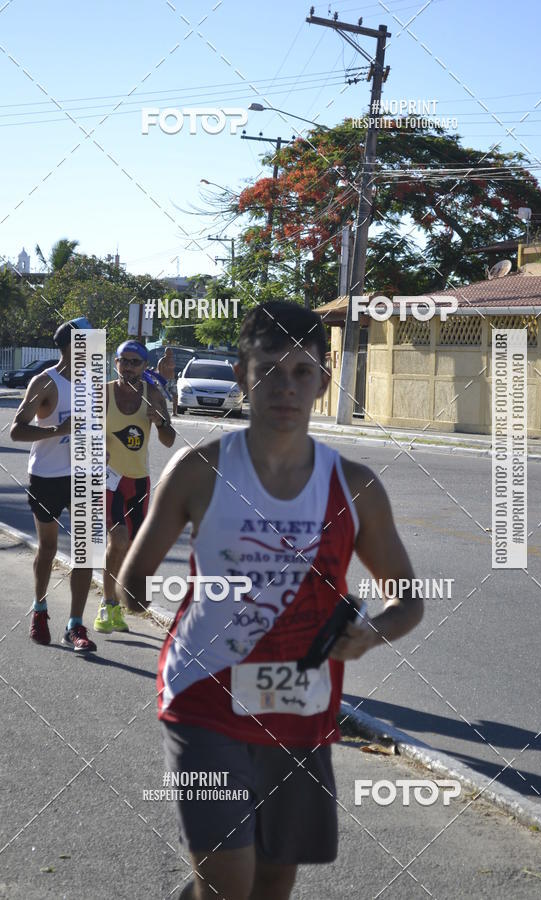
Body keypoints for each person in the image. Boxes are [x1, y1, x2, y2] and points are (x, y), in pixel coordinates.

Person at [117, 301, 423, 900]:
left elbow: (407, 600)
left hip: (301, 712)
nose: (286, 386)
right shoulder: (199, 470)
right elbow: (133, 581)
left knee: (271, 886)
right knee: (231, 888)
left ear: (324, 381)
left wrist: (370, 633)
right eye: (269, 370)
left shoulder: (355, 486)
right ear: (241, 374)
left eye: (303, 372)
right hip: (203, 698)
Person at [10, 317, 97, 652]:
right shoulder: (44, 383)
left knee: (86, 550)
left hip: (83, 475)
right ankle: (40, 609)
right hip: (47, 476)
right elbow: (17, 430)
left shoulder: (92, 383)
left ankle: (75, 625)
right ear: (68, 347)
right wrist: (58, 432)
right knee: (47, 549)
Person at [93, 340, 176, 635]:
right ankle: (106, 604)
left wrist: (161, 421)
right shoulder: (102, 393)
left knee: (130, 547)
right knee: (117, 540)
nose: (127, 367)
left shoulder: (152, 394)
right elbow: (80, 431)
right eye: (122, 361)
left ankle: (115, 602)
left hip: (139, 481)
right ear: (114, 363)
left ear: (144, 366)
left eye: (134, 362)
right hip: (108, 478)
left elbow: (168, 439)